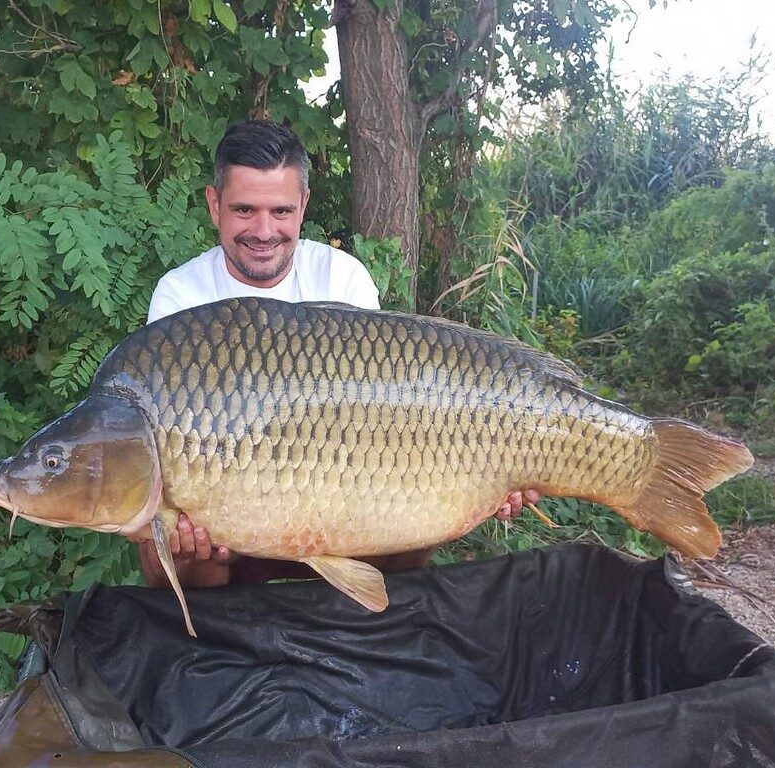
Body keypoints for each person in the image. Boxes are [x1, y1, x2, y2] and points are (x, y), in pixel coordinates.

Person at [139, 120, 539, 590]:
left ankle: (369, 631)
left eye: (281, 211)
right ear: (214, 205)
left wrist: (490, 479)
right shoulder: (181, 298)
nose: (264, 231)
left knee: (420, 509)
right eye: (244, 209)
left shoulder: (342, 276)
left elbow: (384, 414)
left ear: (303, 206)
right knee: (165, 544)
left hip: (345, 504)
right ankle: (220, 641)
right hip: (233, 523)